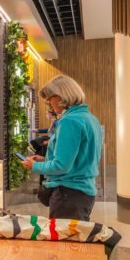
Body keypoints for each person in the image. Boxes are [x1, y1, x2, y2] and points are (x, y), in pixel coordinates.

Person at [21, 75, 103, 220]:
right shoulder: (90, 118)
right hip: (83, 194)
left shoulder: (69, 121)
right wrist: (44, 159)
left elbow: (61, 166)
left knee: (65, 242)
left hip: (68, 195)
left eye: (49, 100)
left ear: (60, 96)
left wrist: (34, 166)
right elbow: (78, 158)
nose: (49, 105)